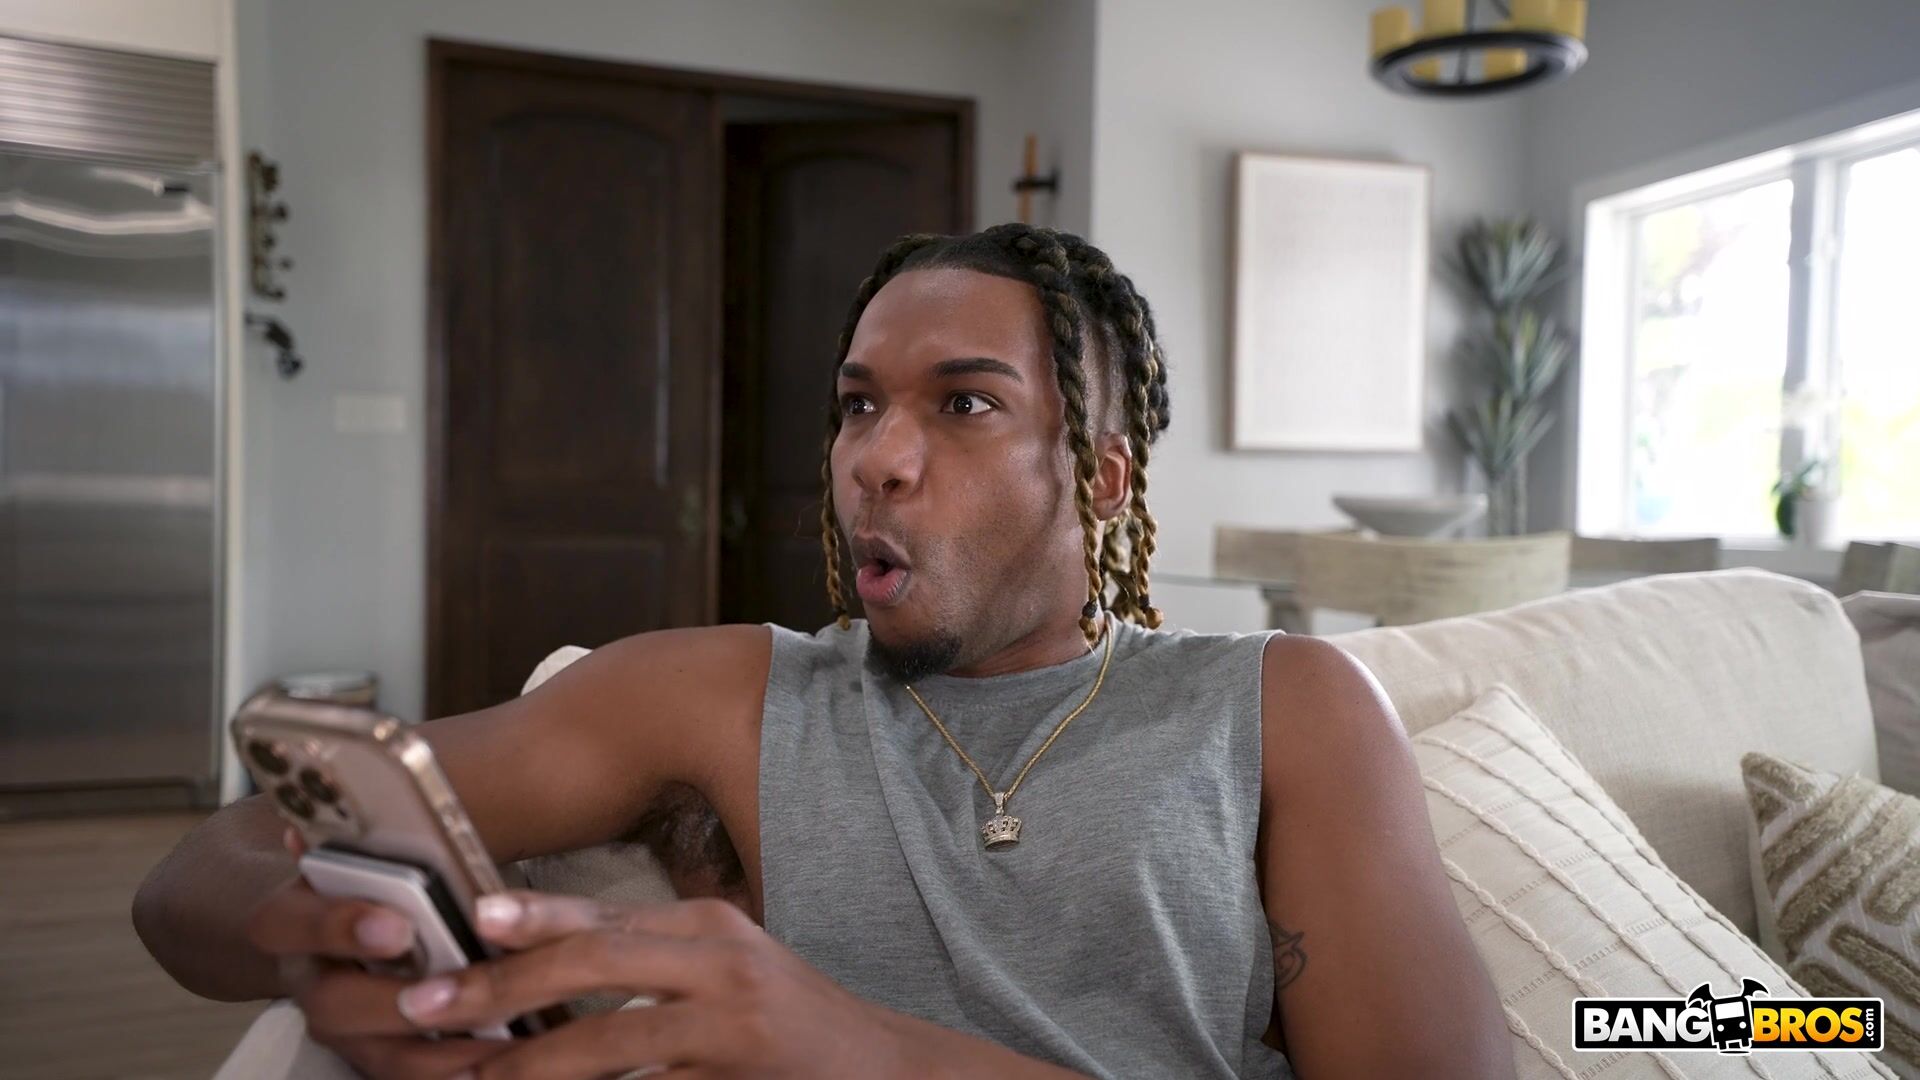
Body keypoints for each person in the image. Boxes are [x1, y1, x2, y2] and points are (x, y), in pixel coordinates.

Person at [133, 223, 1513, 1079]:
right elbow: (211, 865)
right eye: (859, 407)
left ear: (1097, 478)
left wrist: (860, 1051)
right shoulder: (729, 696)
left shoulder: (1280, 706)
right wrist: (319, 947)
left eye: (964, 405)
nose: (877, 460)